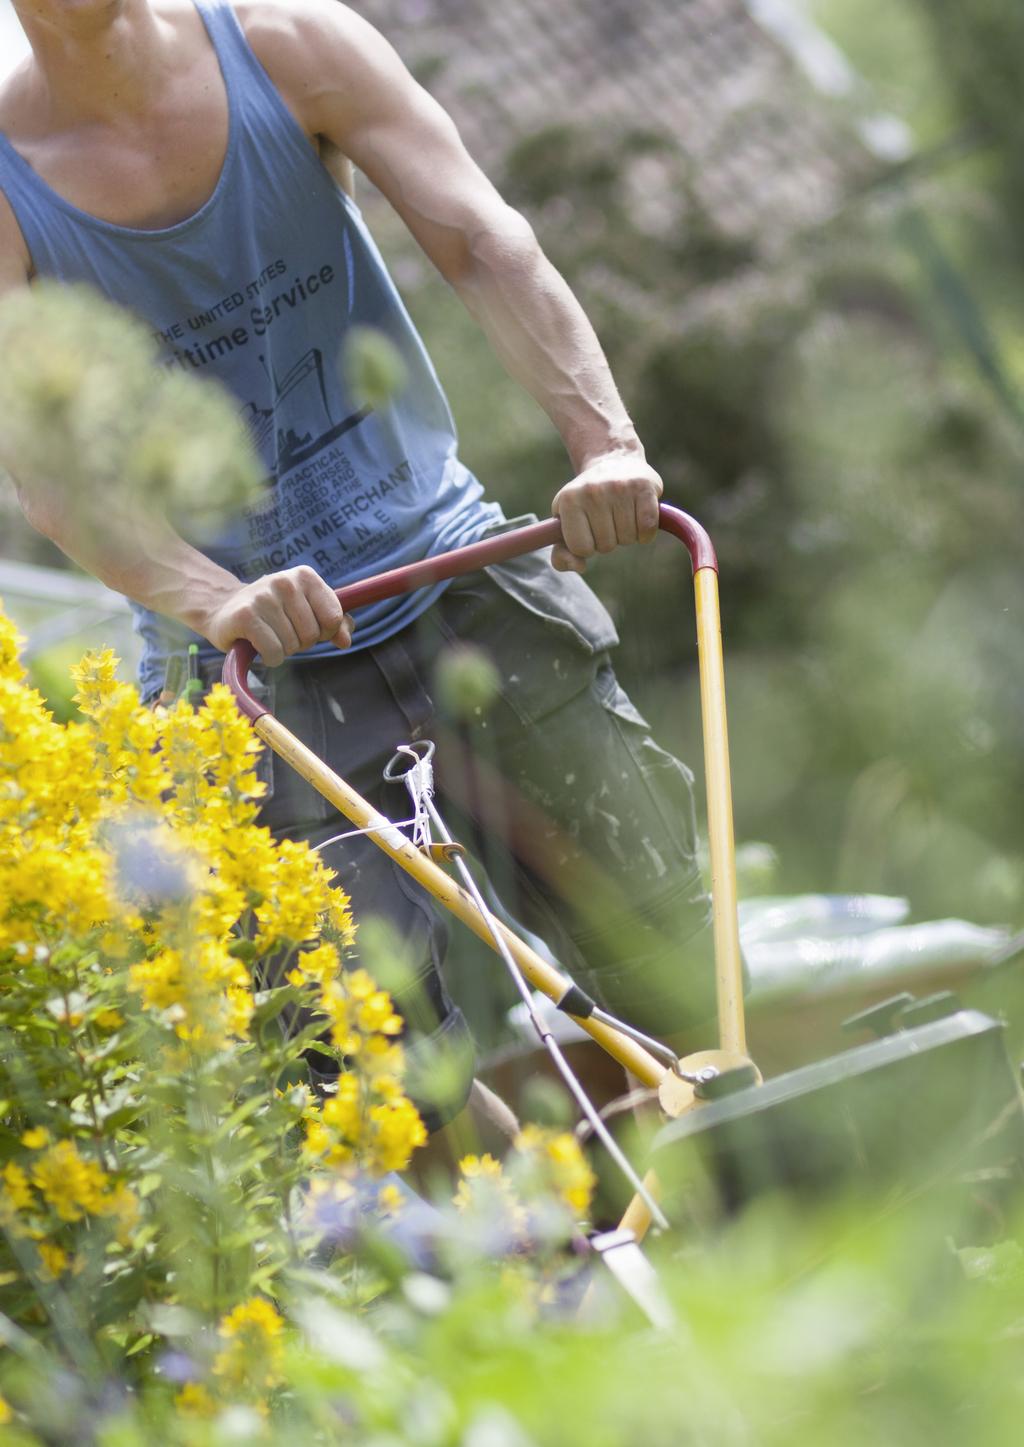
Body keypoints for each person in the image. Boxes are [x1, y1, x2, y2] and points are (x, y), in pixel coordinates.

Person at [0, 0, 712, 1133]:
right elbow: (52, 478)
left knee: (673, 951)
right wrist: (213, 597)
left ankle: (765, 1219)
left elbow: (482, 239)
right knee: (361, 1077)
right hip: (245, 678)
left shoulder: (291, 45)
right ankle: (532, 1271)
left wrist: (605, 446)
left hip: (451, 570)